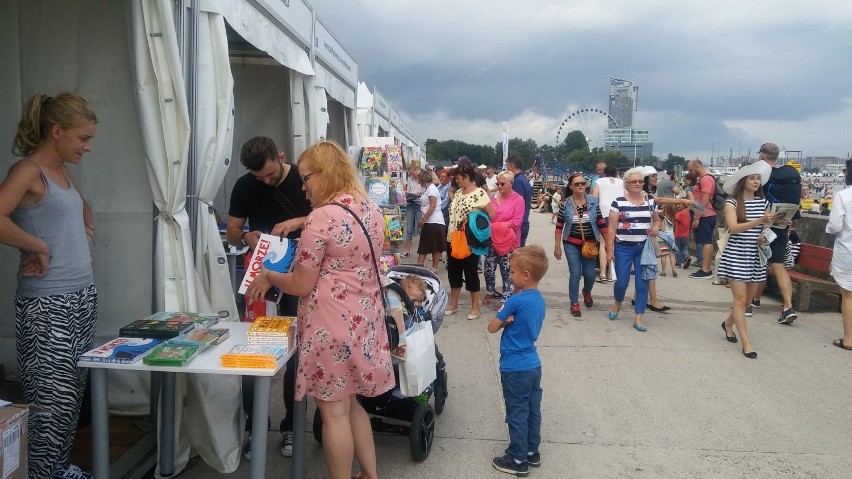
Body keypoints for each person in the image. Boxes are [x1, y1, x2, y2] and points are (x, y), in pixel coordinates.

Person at [246, 140, 393, 479]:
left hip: (330, 328)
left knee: (334, 415)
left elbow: (300, 284)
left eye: (306, 177)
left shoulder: (321, 218)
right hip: (364, 324)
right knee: (353, 405)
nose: (303, 185)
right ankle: (370, 475)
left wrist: (268, 275)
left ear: (325, 175)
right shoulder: (369, 208)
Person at [0, 93, 98, 478]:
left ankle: (56, 468)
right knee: (50, 400)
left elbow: (73, 206)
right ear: (56, 131)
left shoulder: (62, 171)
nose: (88, 147)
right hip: (47, 303)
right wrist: (37, 245)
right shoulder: (28, 170)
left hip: (81, 296)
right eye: (82, 138)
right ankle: (41, 472)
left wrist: (86, 220)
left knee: (72, 395)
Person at [226, 136, 311, 459]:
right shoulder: (244, 186)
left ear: (281, 156)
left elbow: (331, 213)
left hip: (301, 272)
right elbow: (233, 230)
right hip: (261, 274)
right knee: (255, 349)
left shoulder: (303, 178)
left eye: (271, 175)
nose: (265, 181)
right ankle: (255, 427)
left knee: (297, 352)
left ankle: (291, 425)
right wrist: (246, 235)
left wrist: (299, 221)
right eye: (259, 177)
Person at [487, 245, 548, 477]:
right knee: (533, 410)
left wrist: (504, 321)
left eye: (512, 272)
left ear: (526, 275)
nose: (509, 276)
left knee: (516, 413)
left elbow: (492, 327)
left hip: (514, 367)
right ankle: (532, 452)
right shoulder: (539, 300)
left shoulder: (514, 300)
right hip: (533, 364)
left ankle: (517, 458)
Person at [717, 162, 774, 359]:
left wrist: (763, 235)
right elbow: (733, 227)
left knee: (748, 300)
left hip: (755, 255)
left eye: (758, 178)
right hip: (737, 254)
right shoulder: (731, 203)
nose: (756, 181)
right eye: (752, 178)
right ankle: (746, 343)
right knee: (740, 300)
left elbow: (766, 231)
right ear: (743, 182)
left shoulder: (764, 203)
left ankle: (728, 324)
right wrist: (759, 221)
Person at [605, 167, 661, 332]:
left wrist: (656, 227)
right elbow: (612, 229)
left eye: (640, 181)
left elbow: (657, 220)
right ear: (627, 184)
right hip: (623, 247)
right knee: (621, 282)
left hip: (644, 248)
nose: (638, 184)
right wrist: (610, 250)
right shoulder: (618, 202)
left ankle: (639, 317)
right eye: (634, 181)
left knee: (642, 283)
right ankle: (617, 302)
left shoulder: (651, 201)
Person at [751, 143, 801, 324]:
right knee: (778, 265)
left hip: (760, 224)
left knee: (756, 263)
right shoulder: (788, 175)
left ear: (763, 156)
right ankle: (787, 307)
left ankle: (748, 303)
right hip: (781, 224)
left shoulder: (760, 176)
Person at [445, 162, 495, 320]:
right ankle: (453, 304)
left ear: (466, 177)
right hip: (452, 238)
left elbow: (491, 215)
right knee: (454, 273)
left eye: (459, 179)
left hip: (469, 241)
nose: (457, 182)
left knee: (471, 273)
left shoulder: (480, 193)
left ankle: (474, 307)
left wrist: (474, 218)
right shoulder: (459, 193)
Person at [554, 173, 607, 317]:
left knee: (590, 275)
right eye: (577, 184)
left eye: (583, 183)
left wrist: (609, 243)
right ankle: (574, 303)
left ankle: (587, 291)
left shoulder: (593, 202)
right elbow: (559, 226)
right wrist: (557, 246)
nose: (580, 186)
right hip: (571, 243)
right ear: (571, 186)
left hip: (590, 244)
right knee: (575, 273)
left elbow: (601, 223)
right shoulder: (565, 204)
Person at [483, 170, 524, 306]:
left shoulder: (518, 200)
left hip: (508, 241)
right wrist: (501, 225)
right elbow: (488, 215)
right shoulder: (494, 198)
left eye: (502, 184)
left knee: (507, 269)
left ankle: (506, 296)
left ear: (511, 183)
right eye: (497, 183)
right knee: (488, 267)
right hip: (492, 239)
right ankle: (490, 290)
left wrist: (496, 225)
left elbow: (517, 222)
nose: (499, 186)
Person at [826, 159, 852, 351]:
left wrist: (828, 228)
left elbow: (835, 225)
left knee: (848, 296)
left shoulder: (844, 195)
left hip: (848, 249)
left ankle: (849, 338)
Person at [591, 165, 624, 281]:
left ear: (605, 173)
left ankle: (603, 273)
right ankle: (612, 272)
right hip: (619, 213)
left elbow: (594, 198)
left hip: (604, 213)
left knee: (603, 244)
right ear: (616, 173)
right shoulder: (622, 182)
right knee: (614, 243)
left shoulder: (599, 181)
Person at [686, 159, 717, 279]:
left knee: (706, 242)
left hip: (705, 215)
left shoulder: (705, 179)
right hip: (706, 214)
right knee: (705, 241)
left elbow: (704, 199)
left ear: (697, 167)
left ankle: (706, 269)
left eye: (690, 169)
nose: (689, 172)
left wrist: (697, 217)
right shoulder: (706, 178)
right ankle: (706, 268)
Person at [385, 275, 428, 360]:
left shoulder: (418, 311)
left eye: (420, 301)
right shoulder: (398, 308)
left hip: (414, 341)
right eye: (413, 300)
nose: (417, 304)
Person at [415, 169, 446, 272]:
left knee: (434, 245)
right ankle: (421, 265)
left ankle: (433, 267)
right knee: (427, 244)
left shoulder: (432, 189)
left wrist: (423, 219)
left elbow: (432, 205)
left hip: (434, 221)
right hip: (431, 221)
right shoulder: (428, 189)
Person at [506, 156, 533, 246]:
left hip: (518, 225)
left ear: (511, 166)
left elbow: (515, 205)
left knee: (515, 257)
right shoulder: (524, 180)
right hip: (524, 221)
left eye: (507, 167)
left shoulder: (517, 182)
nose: (507, 170)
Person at [403, 163, 425, 257]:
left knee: (421, 226)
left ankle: (423, 250)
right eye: (410, 173)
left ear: (416, 170)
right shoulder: (410, 178)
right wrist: (407, 194)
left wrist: (417, 193)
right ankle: (407, 250)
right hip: (410, 203)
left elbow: (425, 190)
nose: (411, 174)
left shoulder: (423, 178)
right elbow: (408, 190)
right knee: (409, 228)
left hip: (419, 204)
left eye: (412, 172)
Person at [673, 202, 692, 269]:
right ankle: (687, 257)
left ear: (684, 206)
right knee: (685, 248)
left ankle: (678, 263)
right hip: (686, 235)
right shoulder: (688, 213)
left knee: (677, 249)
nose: (677, 205)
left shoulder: (679, 213)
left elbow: (674, 220)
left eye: (679, 204)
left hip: (678, 234)